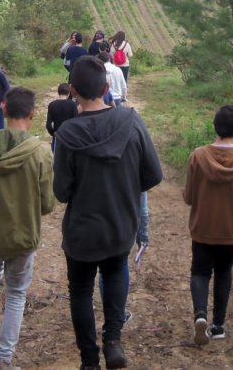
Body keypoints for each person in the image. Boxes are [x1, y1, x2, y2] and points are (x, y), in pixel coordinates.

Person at [54, 56, 163, 370]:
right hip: (119, 225)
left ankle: (89, 361)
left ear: (73, 90)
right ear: (105, 87)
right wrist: (127, 187)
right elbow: (153, 175)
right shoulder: (131, 121)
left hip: (81, 232)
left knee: (80, 290)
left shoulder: (67, 135)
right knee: (116, 273)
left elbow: (61, 192)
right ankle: (113, 340)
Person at [0, 87, 55, 369]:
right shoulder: (40, 152)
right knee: (16, 293)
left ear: (3, 110)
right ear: (32, 115)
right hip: (22, 235)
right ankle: (5, 359)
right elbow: (47, 204)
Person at [183, 105, 233, 347]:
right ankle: (218, 327)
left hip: (203, 228)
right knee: (223, 272)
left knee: (199, 272)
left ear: (215, 126)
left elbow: (188, 197)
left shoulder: (197, 156)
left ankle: (200, 315)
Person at [46, 83, 78, 150]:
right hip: (70, 137)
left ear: (58, 92)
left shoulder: (52, 105)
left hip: (57, 137)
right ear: (69, 93)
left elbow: (48, 125)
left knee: (56, 158)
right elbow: (76, 122)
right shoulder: (73, 105)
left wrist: (53, 134)